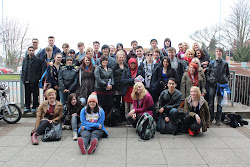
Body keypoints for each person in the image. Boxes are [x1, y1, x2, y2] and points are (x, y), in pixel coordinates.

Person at [207, 47, 230, 125]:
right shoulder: (211, 63)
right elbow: (208, 73)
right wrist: (210, 80)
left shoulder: (225, 63)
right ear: (215, 53)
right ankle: (211, 118)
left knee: (219, 103)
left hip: (221, 85)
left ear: (222, 53)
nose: (218, 52)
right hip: (212, 85)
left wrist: (225, 80)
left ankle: (218, 119)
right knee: (211, 103)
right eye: (217, 51)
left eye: (220, 51)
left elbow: (228, 74)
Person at [21, 46, 43, 113]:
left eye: (32, 50)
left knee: (35, 95)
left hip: (34, 80)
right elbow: (23, 69)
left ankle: (34, 107)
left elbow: (40, 71)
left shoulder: (38, 60)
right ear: (28, 51)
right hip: (26, 80)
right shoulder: (25, 59)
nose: (31, 51)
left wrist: (37, 78)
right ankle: (27, 107)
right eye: (29, 50)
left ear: (34, 51)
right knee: (27, 94)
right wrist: (23, 77)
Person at [121, 58, 138, 125]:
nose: (132, 65)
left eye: (134, 63)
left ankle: (131, 119)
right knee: (126, 106)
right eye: (131, 63)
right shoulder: (125, 71)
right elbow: (123, 80)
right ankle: (127, 118)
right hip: (127, 91)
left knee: (132, 106)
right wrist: (132, 80)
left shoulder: (138, 71)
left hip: (134, 91)